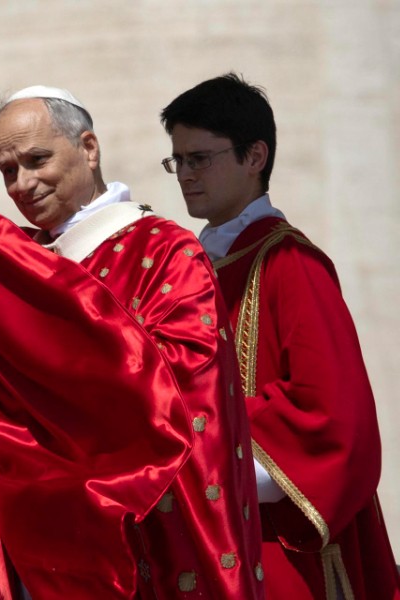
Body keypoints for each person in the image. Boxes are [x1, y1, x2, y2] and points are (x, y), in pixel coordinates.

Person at [0, 86, 263, 599]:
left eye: (37, 160)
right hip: (36, 551)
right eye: (8, 170)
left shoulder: (166, 250)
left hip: (140, 542)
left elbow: (183, 393)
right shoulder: (13, 264)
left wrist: (59, 340)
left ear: (89, 148)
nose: (22, 184)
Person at [160, 73, 400, 600]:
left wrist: (209, 453)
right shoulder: (189, 268)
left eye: (200, 158)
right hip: (209, 544)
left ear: (255, 156)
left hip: (283, 552)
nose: (185, 174)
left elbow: (339, 421)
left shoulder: (293, 264)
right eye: (178, 160)